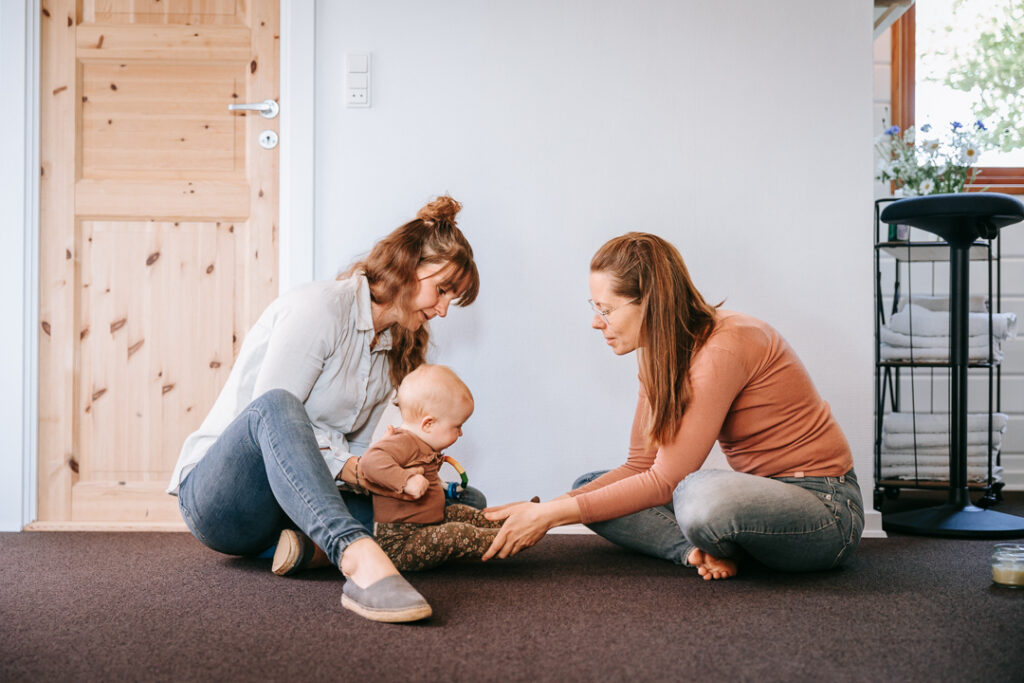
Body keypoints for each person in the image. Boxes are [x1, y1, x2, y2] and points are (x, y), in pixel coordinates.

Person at [167, 195, 481, 623]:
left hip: (292, 504)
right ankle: (356, 559)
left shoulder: (394, 348)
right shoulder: (318, 310)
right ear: (408, 267)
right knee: (277, 405)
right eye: (442, 290)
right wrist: (354, 468)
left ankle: (306, 549)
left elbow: (359, 452)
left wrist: (400, 476)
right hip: (226, 500)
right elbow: (270, 424)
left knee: (457, 505)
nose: (443, 309)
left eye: (452, 299)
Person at [483, 232, 863, 580]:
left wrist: (548, 516)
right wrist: (545, 508)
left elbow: (665, 481)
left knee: (697, 495)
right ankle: (697, 553)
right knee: (586, 488)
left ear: (648, 302)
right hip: (755, 503)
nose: (596, 323)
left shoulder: (724, 346)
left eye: (606, 309)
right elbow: (639, 466)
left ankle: (720, 540)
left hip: (825, 510)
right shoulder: (657, 355)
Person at [358, 364, 503, 571]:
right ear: (428, 424)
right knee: (455, 533)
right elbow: (369, 461)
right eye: (457, 427)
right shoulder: (403, 441)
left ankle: (510, 521)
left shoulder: (419, 442)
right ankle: (507, 537)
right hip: (401, 543)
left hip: (428, 524)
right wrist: (406, 481)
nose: (460, 433)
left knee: (464, 513)